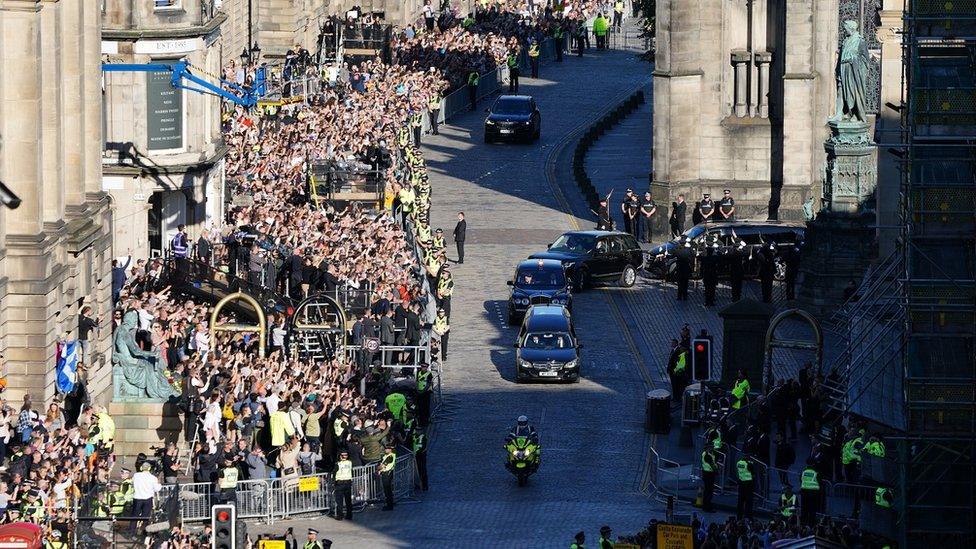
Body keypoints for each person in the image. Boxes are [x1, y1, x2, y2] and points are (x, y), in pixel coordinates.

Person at [131, 462, 161, 532]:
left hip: (137, 498)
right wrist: (159, 483)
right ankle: (143, 530)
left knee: (134, 516)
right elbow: (157, 489)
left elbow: (132, 483)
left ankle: (131, 531)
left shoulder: (136, 475)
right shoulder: (153, 478)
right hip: (148, 499)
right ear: (149, 468)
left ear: (141, 468)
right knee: (146, 516)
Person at [333, 450, 354, 520]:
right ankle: (349, 515)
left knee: (339, 501)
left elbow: (334, 472)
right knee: (348, 500)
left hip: (340, 483)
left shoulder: (338, 464)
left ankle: (340, 515)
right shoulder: (350, 462)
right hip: (348, 482)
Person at [799, 460, 821, 526]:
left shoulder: (804, 471)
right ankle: (811, 525)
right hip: (813, 494)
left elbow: (800, 479)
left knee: (804, 510)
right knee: (812, 511)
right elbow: (819, 480)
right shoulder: (816, 472)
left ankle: (803, 524)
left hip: (804, 494)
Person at [736, 454, 755, 519]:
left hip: (741, 483)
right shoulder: (749, 464)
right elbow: (753, 473)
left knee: (740, 501)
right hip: (748, 484)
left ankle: (739, 516)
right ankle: (748, 516)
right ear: (748, 457)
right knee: (748, 501)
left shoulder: (738, 463)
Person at [700, 445, 717, 512]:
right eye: (711, 447)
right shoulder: (708, 455)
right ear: (707, 448)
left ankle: (705, 506)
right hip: (709, 474)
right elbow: (712, 465)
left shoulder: (705, 454)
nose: (712, 448)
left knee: (707, 490)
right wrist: (717, 470)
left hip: (706, 473)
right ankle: (707, 507)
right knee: (709, 491)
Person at [380, 444, 396, 510]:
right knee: (388, 490)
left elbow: (382, 466)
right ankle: (390, 504)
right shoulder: (389, 455)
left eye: (386, 449)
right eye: (385, 448)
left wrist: (378, 469)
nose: (385, 450)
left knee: (387, 490)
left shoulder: (390, 457)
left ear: (390, 450)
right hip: (388, 473)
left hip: (387, 474)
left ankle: (389, 506)